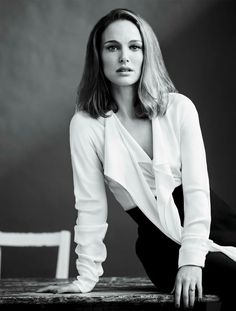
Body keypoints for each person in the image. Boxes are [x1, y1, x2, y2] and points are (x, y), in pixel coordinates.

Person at [38, 8, 236, 310]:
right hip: (160, 248)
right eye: (112, 47)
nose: (124, 57)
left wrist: (194, 259)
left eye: (134, 46)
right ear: (98, 56)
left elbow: (197, 188)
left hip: (212, 224)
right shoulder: (86, 125)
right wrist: (86, 277)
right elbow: (90, 205)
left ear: (147, 54)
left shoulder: (179, 108)